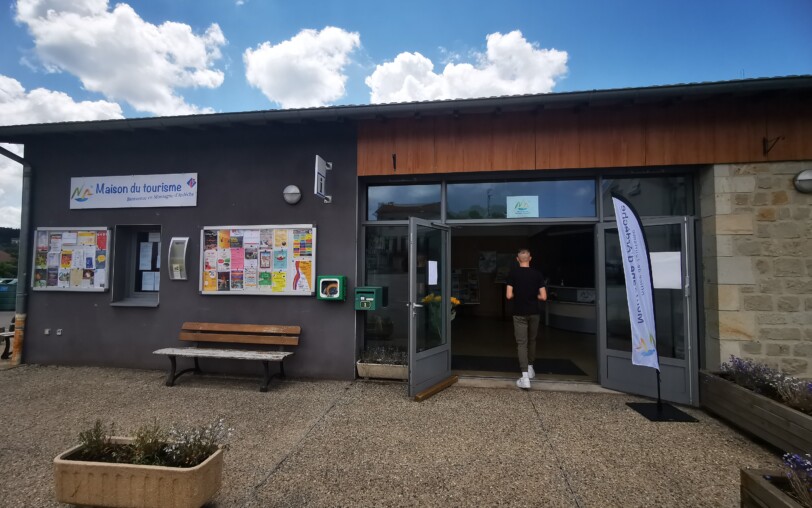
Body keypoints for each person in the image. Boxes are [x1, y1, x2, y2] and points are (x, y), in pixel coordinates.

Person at [505, 248, 547, 389]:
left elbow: (509, 296)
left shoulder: (513, 274)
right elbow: (544, 297)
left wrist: (520, 294)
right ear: (530, 258)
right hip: (534, 312)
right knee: (532, 340)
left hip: (519, 313)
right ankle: (530, 369)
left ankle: (524, 378)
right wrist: (533, 295)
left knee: (521, 343)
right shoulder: (537, 274)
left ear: (517, 259)